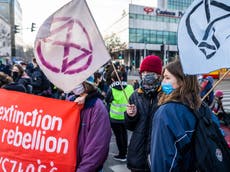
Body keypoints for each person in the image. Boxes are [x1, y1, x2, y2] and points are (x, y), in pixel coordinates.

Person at [150, 60, 202, 171]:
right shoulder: (198, 107)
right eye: (163, 77)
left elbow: (163, 161)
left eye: (167, 78)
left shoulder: (166, 112)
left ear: (182, 81)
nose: (163, 82)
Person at [125, 55, 162, 171]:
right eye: (144, 72)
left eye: (150, 72)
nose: (146, 75)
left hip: (157, 154)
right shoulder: (135, 95)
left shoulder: (165, 96)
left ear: (158, 75)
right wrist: (130, 116)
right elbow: (130, 126)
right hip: (137, 154)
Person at [69, 77, 112, 172]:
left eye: (78, 80)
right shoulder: (70, 101)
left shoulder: (98, 107)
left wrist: (83, 170)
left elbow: (97, 147)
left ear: (87, 84)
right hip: (70, 165)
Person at [105, 71, 134, 162]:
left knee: (118, 136)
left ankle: (122, 155)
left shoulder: (111, 89)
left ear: (113, 79)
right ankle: (125, 152)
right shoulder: (130, 87)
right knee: (124, 134)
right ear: (121, 78)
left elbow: (107, 100)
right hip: (126, 116)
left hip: (115, 118)